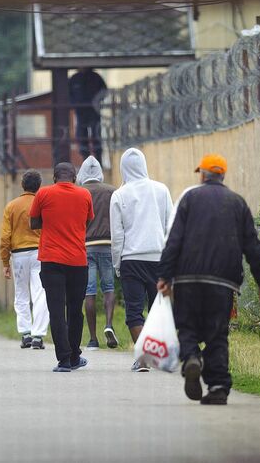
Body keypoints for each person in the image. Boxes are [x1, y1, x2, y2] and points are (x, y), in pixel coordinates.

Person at [157, 154, 260, 404]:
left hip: (187, 279)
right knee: (217, 334)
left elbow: (174, 240)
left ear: (202, 175)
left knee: (187, 327)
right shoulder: (237, 203)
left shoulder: (190, 198)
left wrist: (165, 275)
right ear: (223, 175)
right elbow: (253, 246)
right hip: (223, 283)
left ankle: (191, 358)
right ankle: (218, 387)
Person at [110, 148, 175, 371]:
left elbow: (117, 235)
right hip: (159, 259)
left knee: (134, 312)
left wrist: (117, 264)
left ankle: (144, 358)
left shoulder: (119, 195)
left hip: (131, 259)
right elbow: (170, 226)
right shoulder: (162, 190)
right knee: (158, 311)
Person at [29, 162, 94, 372]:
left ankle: (64, 360)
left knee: (56, 311)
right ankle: (75, 355)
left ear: (54, 178)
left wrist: (51, 221)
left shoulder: (43, 194)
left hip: (51, 260)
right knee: (75, 310)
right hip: (78, 261)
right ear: (74, 178)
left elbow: (33, 223)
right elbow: (88, 222)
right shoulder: (84, 195)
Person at [0, 169, 48, 350]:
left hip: (18, 254)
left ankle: (25, 333)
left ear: (22, 185)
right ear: (39, 186)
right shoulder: (42, 203)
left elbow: (5, 236)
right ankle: (38, 335)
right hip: (40, 253)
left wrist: (5, 261)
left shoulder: (12, 206)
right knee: (40, 293)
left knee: (21, 294)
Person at [76, 155, 118, 350]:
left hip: (86, 247)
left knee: (89, 292)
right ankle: (109, 325)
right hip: (108, 244)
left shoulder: (79, 192)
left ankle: (93, 339)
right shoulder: (112, 191)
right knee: (109, 288)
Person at [68, 67, 107, 160]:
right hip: (80, 112)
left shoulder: (95, 77)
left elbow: (104, 91)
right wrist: (75, 104)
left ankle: (99, 160)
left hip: (94, 111)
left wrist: (97, 101)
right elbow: (68, 94)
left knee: (96, 134)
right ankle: (85, 160)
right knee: (82, 136)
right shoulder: (74, 79)